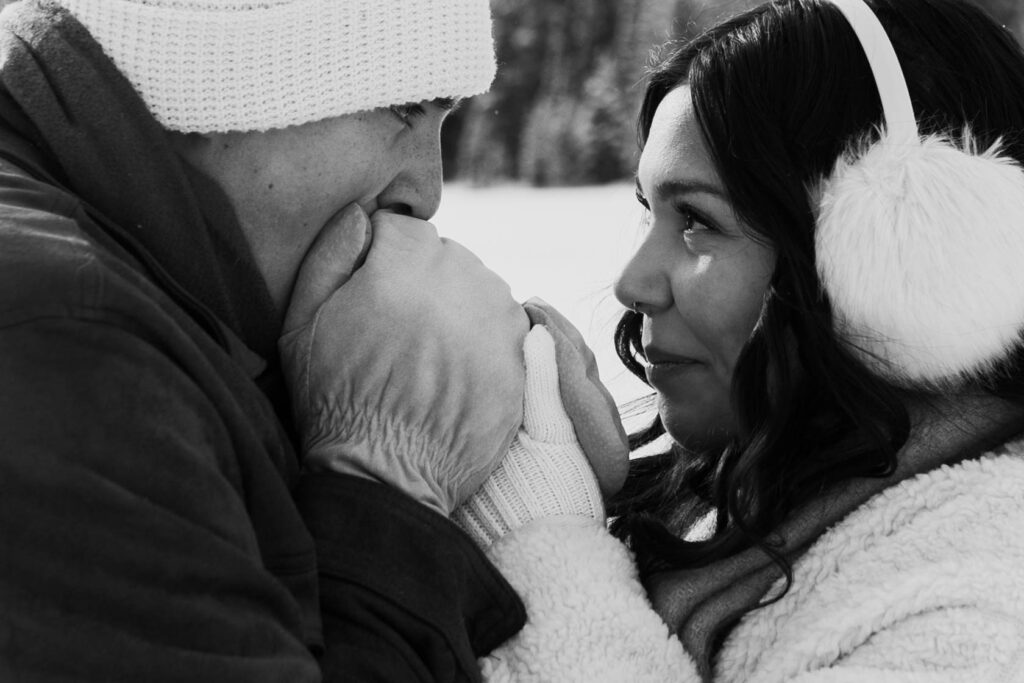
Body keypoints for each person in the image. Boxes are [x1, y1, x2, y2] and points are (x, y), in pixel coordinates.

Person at [388, 0, 1024, 679]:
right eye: (647, 210)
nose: (633, 283)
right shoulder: (737, 494)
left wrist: (541, 527)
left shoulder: (978, 613)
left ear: (903, 254)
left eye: (697, 220)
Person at [0, 0, 569, 679]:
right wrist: (386, 480)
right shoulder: (68, 345)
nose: (428, 192)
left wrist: (535, 477)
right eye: (404, 108)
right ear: (217, 77)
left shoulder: (150, 307)